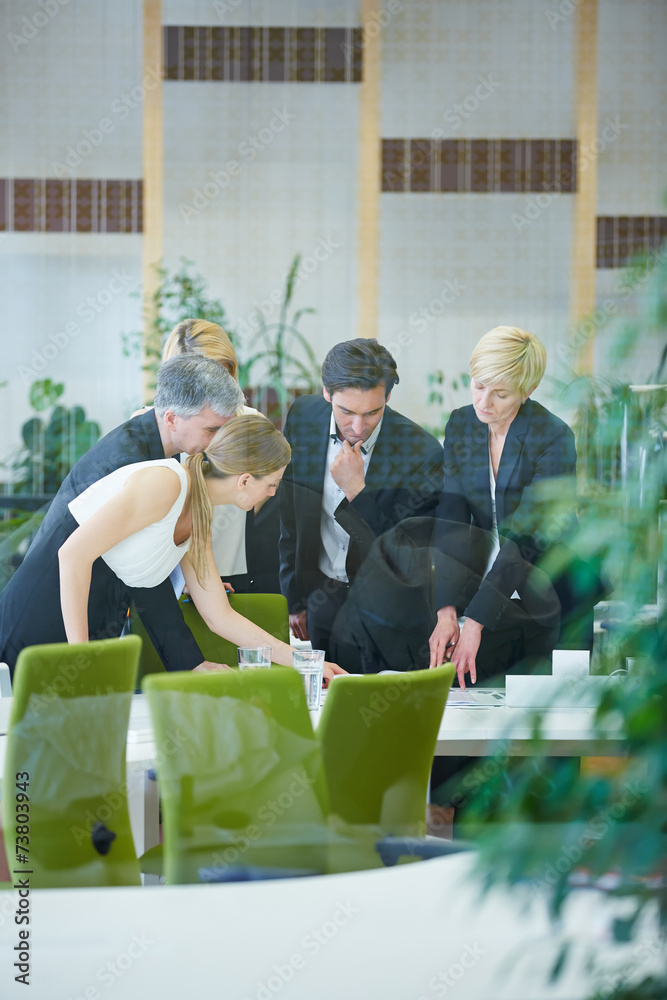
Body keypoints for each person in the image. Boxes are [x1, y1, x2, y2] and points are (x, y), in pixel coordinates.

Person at [2, 411, 343, 681]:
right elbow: (72, 555)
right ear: (244, 480)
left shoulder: (200, 517)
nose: (272, 494)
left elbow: (220, 616)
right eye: (271, 484)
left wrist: (304, 663)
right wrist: (81, 655)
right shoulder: (165, 482)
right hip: (40, 614)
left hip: (85, 625)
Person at [0, 354, 243, 675]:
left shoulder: (154, 451)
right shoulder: (135, 465)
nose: (215, 443)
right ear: (172, 418)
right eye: (211, 430)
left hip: (82, 621)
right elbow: (145, 581)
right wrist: (191, 663)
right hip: (43, 623)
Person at [429, 326, 581, 689]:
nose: (484, 403)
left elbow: (527, 537)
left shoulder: (554, 437)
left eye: (500, 394)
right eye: (478, 385)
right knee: (471, 701)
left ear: (527, 391)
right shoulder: (463, 424)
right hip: (489, 591)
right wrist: (446, 609)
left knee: (552, 717)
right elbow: (452, 516)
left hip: (555, 591)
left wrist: (475, 622)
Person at [279, 337, 444, 663]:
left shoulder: (423, 455)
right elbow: (290, 512)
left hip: (393, 617)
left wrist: (358, 493)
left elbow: (405, 558)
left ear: (388, 397)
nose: (358, 426)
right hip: (322, 603)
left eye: (372, 412)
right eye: (346, 411)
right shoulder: (303, 418)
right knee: (328, 707)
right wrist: (294, 599)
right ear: (327, 392)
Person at [161, 319, 282, 594]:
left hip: (237, 570)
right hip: (169, 573)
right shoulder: (159, 428)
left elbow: (265, 502)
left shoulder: (251, 423)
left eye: (221, 376)